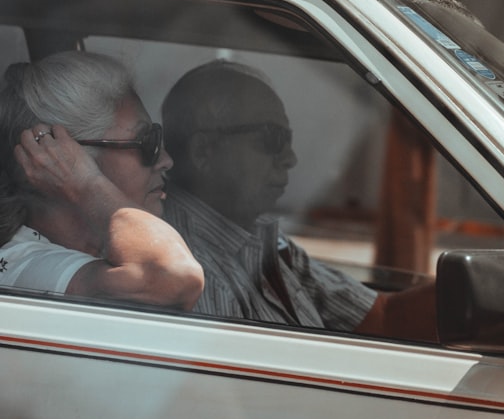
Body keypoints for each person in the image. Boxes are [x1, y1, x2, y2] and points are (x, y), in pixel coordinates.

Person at [161, 60, 436, 341]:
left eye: (288, 139)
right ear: (203, 151)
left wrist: (474, 290)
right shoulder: (192, 273)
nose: (290, 159)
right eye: (271, 138)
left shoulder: (264, 242)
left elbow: (383, 317)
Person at [0, 51, 204, 310]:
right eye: (147, 142)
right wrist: (86, 184)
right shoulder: (25, 267)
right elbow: (176, 278)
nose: (165, 160)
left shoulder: (99, 255)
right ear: (61, 157)